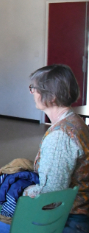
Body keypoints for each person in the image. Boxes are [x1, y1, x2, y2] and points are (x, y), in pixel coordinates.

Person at [15, 64, 89, 233]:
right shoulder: (75, 121)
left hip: (69, 220)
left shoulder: (60, 135)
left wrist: (24, 190)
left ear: (52, 96)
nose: (31, 92)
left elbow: (51, 196)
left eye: (34, 88)